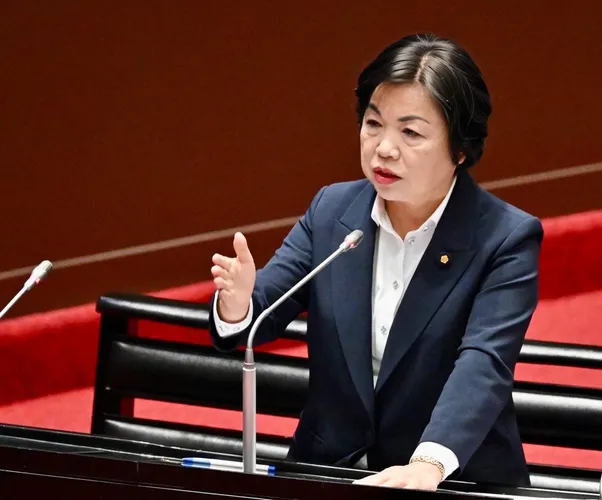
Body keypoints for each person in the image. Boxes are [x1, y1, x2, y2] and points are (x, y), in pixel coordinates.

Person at [208, 33, 543, 490]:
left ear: (460, 148)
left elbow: (483, 364)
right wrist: (238, 304)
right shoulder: (332, 212)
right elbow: (261, 311)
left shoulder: (504, 238)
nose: (384, 148)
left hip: (449, 480)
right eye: (373, 123)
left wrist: (428, 465)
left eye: (411, 133)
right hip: (330, 473)